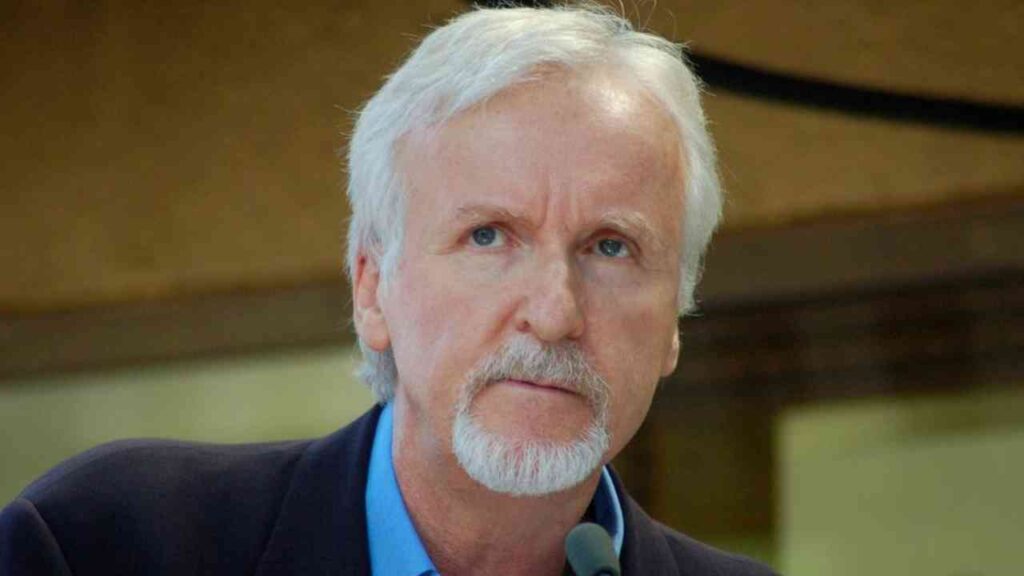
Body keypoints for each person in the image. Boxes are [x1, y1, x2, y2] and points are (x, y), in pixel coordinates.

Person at [1, 5, 777, 575]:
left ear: (675, 321)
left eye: (611, 247)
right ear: (372, 289)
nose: (554, 314)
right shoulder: (107, 542)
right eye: (488, 236)